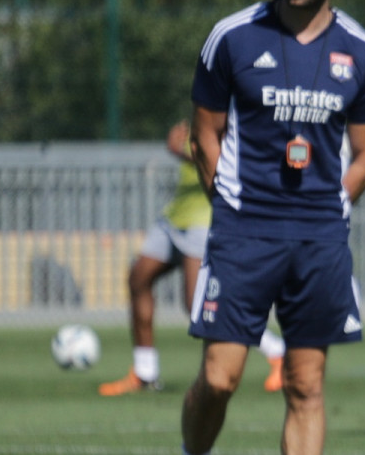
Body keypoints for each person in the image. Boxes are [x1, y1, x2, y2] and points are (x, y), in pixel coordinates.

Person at [180, 0, 365, 454]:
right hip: (243, 231)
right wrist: (226, 205)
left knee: (305, 384)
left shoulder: (362, 52)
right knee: (221, 378)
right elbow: (204, 135)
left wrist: (335, 204)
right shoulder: (233, 36)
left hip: (319, 236)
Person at [98, 121, 286, 397]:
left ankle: (276, 350)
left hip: (204, 220)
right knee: (139, 277)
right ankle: (145, 371)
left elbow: (226, 168)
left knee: (197, 304)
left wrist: (180, 151)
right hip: (175, 218)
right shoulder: (199, 118)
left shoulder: (237, 123)